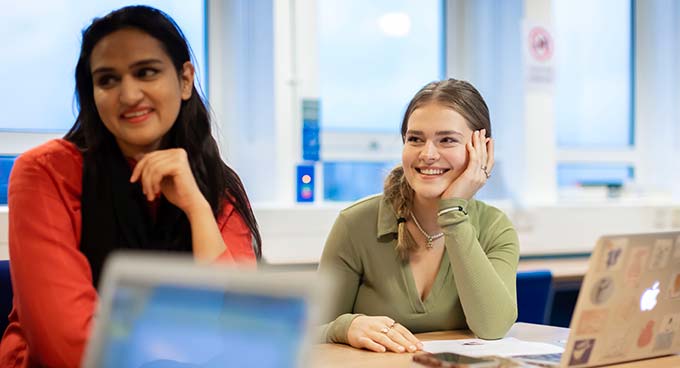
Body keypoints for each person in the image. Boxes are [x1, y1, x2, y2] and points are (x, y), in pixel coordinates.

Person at [0, 6, 261, 367]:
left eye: (146, 72)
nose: (128, 94)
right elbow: (68, 346)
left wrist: (197, 209)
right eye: (107, 80)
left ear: (185, 79)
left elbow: (245, 329)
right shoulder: (45, 173)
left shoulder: (217, 184)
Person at [318, 79, 520, 353]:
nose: (427, 154)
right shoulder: (355, 224)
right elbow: (307, 330)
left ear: (481, 149)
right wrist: (346, 327)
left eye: (447, 140)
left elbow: (493, 326)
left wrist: (453, 212)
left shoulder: (495, 228)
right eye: (415, 139)